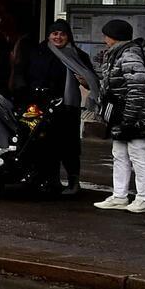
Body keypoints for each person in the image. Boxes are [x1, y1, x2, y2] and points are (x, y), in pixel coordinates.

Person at [93, 18, 145, 213]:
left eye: (106, 35)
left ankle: (142, 199)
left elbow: (137, 88)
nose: (104, 38)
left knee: (137, 154)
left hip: (134, 115)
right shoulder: (117, 54)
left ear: (114, 37)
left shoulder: (129, 54)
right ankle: (120, 195)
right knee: (120, 153)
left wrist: (128, 118)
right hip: (123, 113)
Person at [24, 19, 96, 196]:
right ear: (49, 35)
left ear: (68, 36)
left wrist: (86, 82)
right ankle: (48, 180)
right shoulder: (38, 52)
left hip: (68, 108)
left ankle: (73, 182)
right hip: (41, 106)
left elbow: (91, 81)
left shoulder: (78, 55)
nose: (58, 37)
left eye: (62, 34)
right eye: (54, 33)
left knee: (69, 146)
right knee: (44, 144)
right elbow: (29, 76)